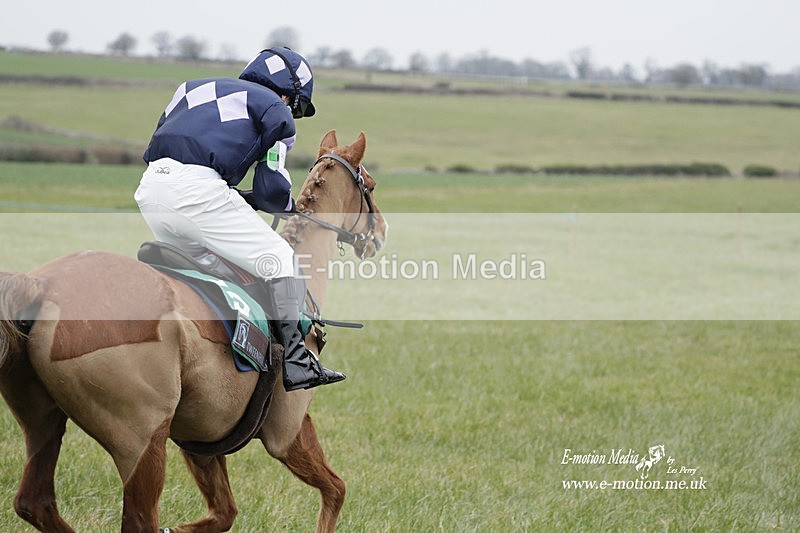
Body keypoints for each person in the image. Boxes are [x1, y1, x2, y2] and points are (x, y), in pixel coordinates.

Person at [135, 47, 345, 391]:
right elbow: (271, 191)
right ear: (289, 93)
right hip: (199, 191)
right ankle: (298, 362)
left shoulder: (191, 88)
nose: (294, 113)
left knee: (210, 266)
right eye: (297, 105)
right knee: (278, 258)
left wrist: (237, 198)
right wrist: (285, 203)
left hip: (151, 188)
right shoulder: (277, 110)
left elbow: (182, 152)